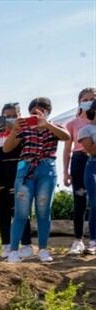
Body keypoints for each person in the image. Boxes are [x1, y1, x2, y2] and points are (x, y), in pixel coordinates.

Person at [2, 97, 71, 263]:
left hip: (47, 170)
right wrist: (14, 130)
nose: (36, 115)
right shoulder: (25, 128)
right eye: (33, 113)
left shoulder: (54, 126)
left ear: (48, 113)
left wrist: (46, 124)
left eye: (41, 112)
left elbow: (66, 136)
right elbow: (6, 148)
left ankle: (43, 249)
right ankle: (13, 250)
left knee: (43, 211)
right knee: (21, 212)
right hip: (25, 169)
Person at [0, 103, 33, 258]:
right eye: (7, 117)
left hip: (19, 172)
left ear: (20, 116)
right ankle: (6, 245)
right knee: (3, 211)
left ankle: (25, 244)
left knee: (21, 210)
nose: (11, 119)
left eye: (14, 116)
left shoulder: (25, 133)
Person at [63, 87, 96, 255]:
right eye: (87, 98)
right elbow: (67, 149)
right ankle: (78, 239)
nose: (90, 101)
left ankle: (93, 240)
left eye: (93, 98)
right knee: (80, 200)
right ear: (80, 102)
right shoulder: (72, 124)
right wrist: (65, 172)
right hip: (79, 160)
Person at [76, 101, 96, 255]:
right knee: (95, 203)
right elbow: (92, 149)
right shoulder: (85, 130)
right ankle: (94, 241)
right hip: (93, 166)